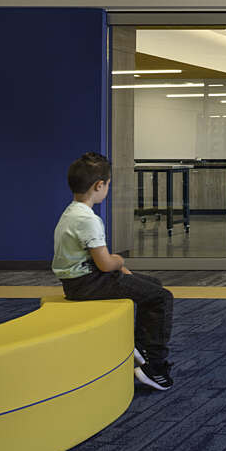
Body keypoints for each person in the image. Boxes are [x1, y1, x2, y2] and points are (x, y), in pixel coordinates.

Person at [52, 153, 175, 391]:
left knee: (152, 285)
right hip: (89, 283)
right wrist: (120, 261)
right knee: (162, 297)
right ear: (99, 185)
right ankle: (156, 367)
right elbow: (106, 264)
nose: (107, 188)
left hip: (80, 281)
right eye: (108, 184)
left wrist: (121, 269)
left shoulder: (71, 213)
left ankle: (139, 348)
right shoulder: (87, 219)